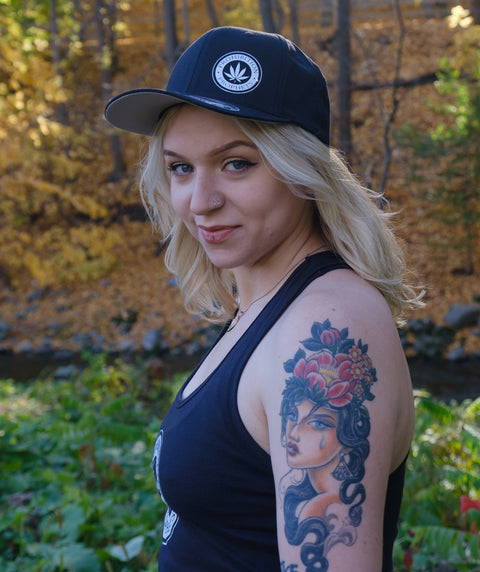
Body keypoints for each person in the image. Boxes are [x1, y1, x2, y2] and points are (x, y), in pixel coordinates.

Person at [105, 26, 423, 572]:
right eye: (181, 167)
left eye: (237, 163)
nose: (200, 202)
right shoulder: (265, 310)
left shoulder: (327, 326)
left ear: (303, 171)